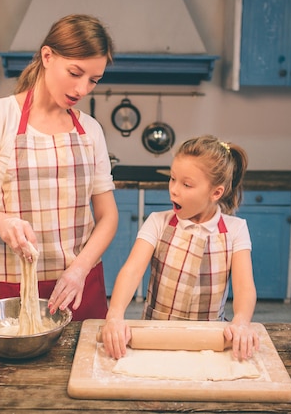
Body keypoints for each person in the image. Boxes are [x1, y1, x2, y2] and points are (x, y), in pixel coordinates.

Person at [0, 14, 118, 321]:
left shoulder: (90, 130)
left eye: (93, 80)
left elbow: (108, 216)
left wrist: (80, 268)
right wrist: (2, 222)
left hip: (78, 284)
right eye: (75, 73)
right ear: (47, 56)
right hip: (12, 281)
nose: (82, 89)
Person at [101, 135, 259, 360]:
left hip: (211, 341)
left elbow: (245, 287)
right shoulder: (158, 222)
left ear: (216, 192)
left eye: (186, 184)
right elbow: (132, 271)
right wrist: (115, 315)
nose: (174, 190)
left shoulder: (235, 230)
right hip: (156, 337)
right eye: (172, 179)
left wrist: (242, 321)